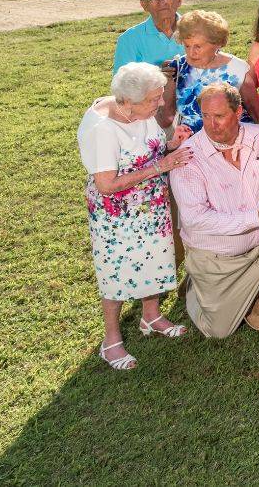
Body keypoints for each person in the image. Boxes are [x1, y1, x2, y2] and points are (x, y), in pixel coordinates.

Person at [79, 62, 193, 370]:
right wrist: (160, 168)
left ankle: (151, 315)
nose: (159, 104)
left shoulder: (142, 112)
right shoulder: (104, 129)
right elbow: (105, 185)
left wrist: (171, 145)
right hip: (118, 215)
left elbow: (150, 150)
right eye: (153, 99)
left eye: (159, 96)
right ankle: (111, 341)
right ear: (128, 100)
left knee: (155, 258)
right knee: (117, 272)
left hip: (151, 206)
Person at [171, 84, 259, 339]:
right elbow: (195, 220)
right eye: (205, 116)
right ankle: (193, 287)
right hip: (218, 260)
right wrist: (256, 216)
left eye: (219, 116)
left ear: (239, 111)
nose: (211, 124)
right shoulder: (187, 158)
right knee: (217, 330)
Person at [164, 10, 250, 133]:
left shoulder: (238, 69)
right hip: (189, 141)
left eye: (198, 46)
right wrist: (166, 82)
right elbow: (165, 119)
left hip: (232, 138)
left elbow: (257, 114)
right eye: (187, 46)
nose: (191, 52)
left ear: (217, 44)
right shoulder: (177, 67)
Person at [113, 0, 183, 73]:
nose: (163, 1)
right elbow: (121, 85)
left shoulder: (199, 29)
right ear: (144, 5)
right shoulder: (129, 40)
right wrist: (157, 77)